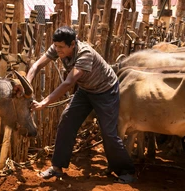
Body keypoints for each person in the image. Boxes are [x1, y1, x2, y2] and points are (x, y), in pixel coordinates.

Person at [26, 26, 136, 183]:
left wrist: (44, 103)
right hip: (86, 90)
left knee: (108, 132)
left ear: (72, 44)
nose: (58, 50)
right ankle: (57, 167)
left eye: (61, 47)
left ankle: (126, 171)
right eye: (56, 46)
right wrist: (27, 85)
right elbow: (36, 65)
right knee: (66, 121)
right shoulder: (58, 47)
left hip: (105, 90)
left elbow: (69, 82)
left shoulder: (85, 54)